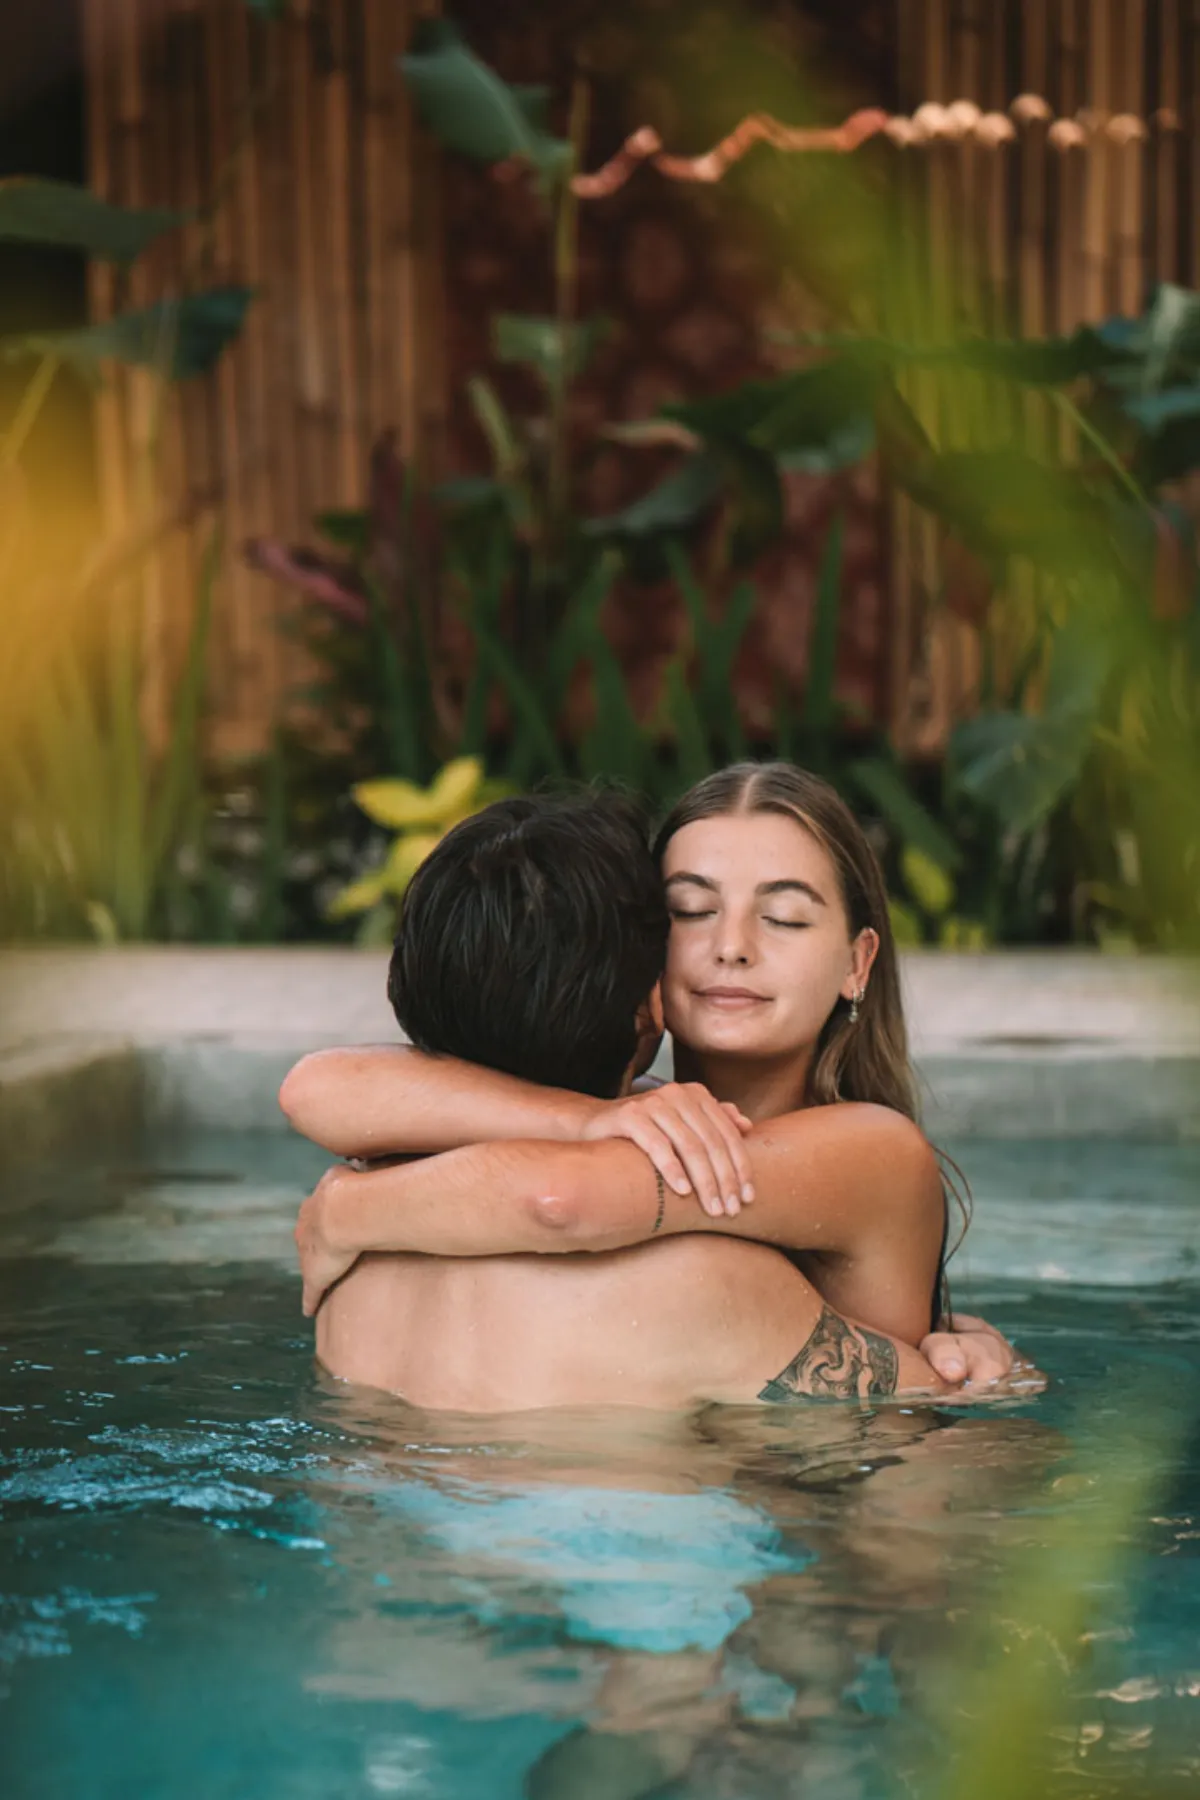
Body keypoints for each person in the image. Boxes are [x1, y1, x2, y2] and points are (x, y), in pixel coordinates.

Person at [288, 778, 1023, 1403]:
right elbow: (319, 1085)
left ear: (856, 965)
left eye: (785, 917)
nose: (732, 945)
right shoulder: (634, 1114)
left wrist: (347, 1210)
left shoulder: (874, 1148)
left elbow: (560, 1197)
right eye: (690, 911)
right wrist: (586, 1117)